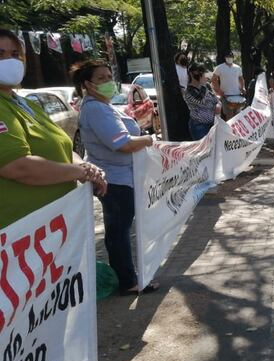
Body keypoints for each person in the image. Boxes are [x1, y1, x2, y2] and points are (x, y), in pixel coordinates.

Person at [0, 29, 106, 229]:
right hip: (21, 237)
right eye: (0, 54)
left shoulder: (25, 103)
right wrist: (79, 172)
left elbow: (63, 145)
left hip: (55, 230)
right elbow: (18, 167)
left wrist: (85, 168)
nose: (10, 61)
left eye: (15, 54)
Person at [73, 59, 159, 295]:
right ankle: (128, 281)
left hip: (123, 177)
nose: (109, 82)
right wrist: (150, 140)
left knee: (120, 230)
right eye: (101, 78)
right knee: (119, 232)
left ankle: (130, 277)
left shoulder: (104, 105)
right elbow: (121, 143)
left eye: (109, 77)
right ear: (87, 84)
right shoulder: (95, 109)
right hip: (114, 180)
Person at [183, 62, 218, 140]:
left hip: (213, 124)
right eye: (200, 72)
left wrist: (218, 105)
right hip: (199, 127)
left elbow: (216, 100)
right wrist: (203, 85)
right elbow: (200, 100)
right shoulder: (189, 91)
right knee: (204, 151)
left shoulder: (207, 86)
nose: (203, 75)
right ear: (192, 74)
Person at [212, 52, 245, 120]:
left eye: (231, 56)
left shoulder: (238, 67)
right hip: (226, 95)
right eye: (228, 56)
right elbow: (214, 79)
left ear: (233, 57)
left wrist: (243, 88)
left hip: (237, 94)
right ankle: (229, 130)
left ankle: (236, 130)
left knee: (238, 116)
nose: (229, 58)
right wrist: (219, 90)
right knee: (229, 116)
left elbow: (241, 79)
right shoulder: (220, 67)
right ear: (225, 58)